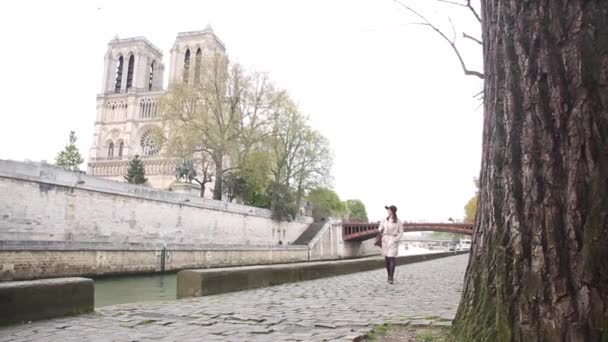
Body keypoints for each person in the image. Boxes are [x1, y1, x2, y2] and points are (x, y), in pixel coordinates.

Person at [378, 205, 403, 284]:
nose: (387, 211)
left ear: (392, 211)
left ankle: (391, 277)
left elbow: (401, 233)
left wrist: (395, 240)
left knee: (392, 258)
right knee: (387, 259)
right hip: (385, 239)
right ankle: (389, 275)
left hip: (393, 240)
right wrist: (380, 229)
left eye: (388, 210)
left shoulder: (398, 222)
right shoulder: (384, 220)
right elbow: (380, 228)